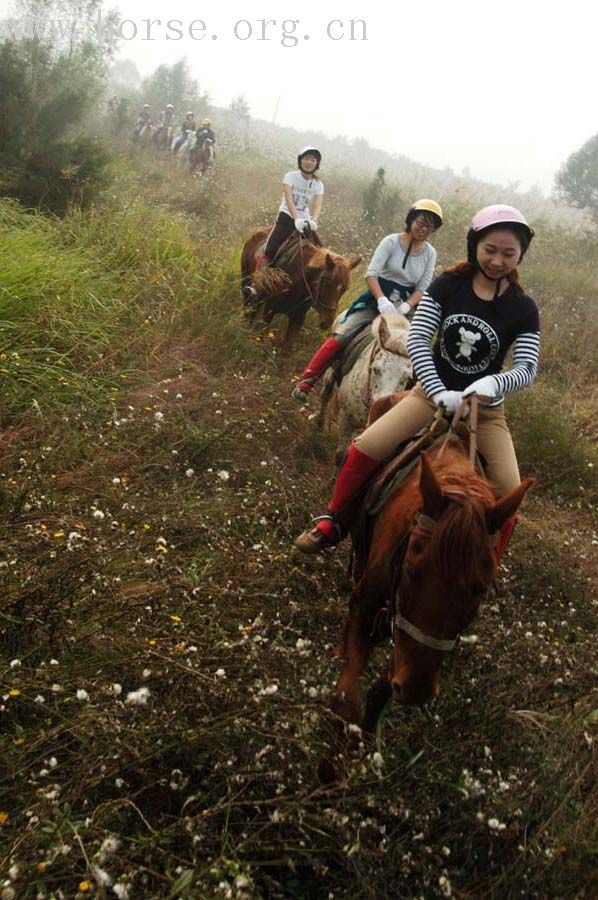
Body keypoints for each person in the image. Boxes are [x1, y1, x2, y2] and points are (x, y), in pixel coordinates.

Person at [294, 204, 540, 561]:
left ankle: (488, 562)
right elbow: (419, 340)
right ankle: (334, 520)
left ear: (520, 255)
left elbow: (527, 367)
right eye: (490, 250)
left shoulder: (523, 308)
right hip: (429, 396)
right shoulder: (448, 286)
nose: (498, 261)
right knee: (365, 446)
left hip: (484, 413)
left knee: (509, 493)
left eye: (508, 253)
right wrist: (439, 390)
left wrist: (493, 385)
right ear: (475, 246)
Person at [291, 199, 442, 402]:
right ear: (411, 219)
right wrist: (381, 300)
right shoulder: (390, 241)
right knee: (344, 333)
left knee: (418, 350)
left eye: (430, 226)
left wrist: (407, 305)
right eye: (421, 222)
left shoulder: (430, 254)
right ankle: (307, 380)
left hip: (406, 307)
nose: (424, 229)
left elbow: (423, 287)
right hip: (376, 299)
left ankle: (418, 402)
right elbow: (371, 274)